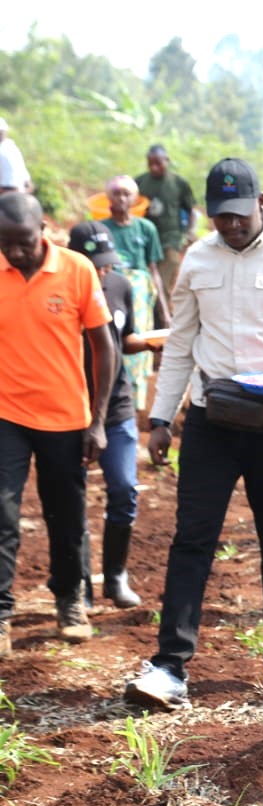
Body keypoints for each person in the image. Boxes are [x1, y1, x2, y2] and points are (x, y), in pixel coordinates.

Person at [123, 158, 263, 709]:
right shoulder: (198, 258)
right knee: (192, 539)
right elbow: (180, 342)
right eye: (220, 216)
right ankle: (169, 666)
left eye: (239, 215)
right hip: (213, 419)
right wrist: (160, 419)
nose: (230, 225)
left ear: (261, 203)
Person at [0, 192, 114, 655]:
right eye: (5, 243)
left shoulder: (76, 269)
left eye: (23, 242)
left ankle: (69, 601)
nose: (15, 252)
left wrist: (98, 421)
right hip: (5, 413)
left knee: (65, 515)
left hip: (65, 416)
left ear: (43, 230)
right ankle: (1, 613)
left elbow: (104, 347)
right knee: (2, 514)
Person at [68, 221, 163, 608]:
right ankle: (79, 586)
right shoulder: (61, 289)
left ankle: (115, 575)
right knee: (71, 500)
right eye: (96, 263)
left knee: (124, 489)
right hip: (69, 408)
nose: (103, 270)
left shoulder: (119, 285)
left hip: (116, 406)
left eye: (108, 262)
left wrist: (154, 343)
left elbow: (122, 340)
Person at [102, 175, 168, 411]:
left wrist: (164, 312)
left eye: (126, 194)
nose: (121, 198)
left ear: (135, 199)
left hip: (140, 294)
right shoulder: (103, 229)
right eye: (116, 193)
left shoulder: (146, 229)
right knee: (111, 339)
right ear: (108, 198)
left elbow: (153, 271)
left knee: (138, 342)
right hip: (112, 291)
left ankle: (133, 405)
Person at [135, 144, 198, 301]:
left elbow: (191, 210)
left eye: (158, 163)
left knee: (163, 283)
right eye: (150, 164)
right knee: (147, 282)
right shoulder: (140, 182)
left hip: (171, 239)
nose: (154, 167)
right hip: (146, 240)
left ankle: (165, 313)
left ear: (167, 160)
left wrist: (190, 232)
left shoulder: (179, 183)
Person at [0, 117, 32, 194]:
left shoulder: (4, 149)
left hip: (6, 190)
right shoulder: (12, 147)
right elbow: (28, 182)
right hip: (22, 190)